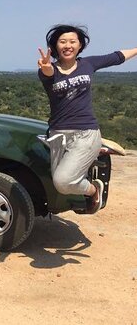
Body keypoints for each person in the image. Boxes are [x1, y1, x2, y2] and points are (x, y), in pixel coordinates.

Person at [37, 25, 137, 213]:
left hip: (86, 131)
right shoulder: (49, 70)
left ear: (80, 45)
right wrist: (47, 67)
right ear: (55, 46)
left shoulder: (87, 64)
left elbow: (117, 57)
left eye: (72, 41)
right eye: (62, 41)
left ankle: (93, 190)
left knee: (63, 182)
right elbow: (48, 73)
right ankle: (91, 163)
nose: (68, 45)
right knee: (62, 182)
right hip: (59, 135)